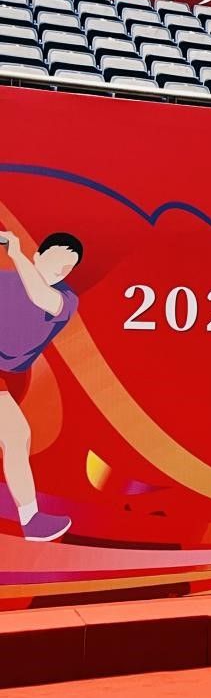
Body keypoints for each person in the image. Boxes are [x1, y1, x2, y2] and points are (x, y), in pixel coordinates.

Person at [0, 231, 83, 542]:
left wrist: (16, 252)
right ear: (38, 256)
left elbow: (39, 297)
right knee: (16, 436)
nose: (61, 269)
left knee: (16, 437)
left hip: (7, 379)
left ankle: (31, 520)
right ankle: (31, 520)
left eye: (68, 266)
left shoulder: (65, 300)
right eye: (55, 259)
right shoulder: (5, 281)